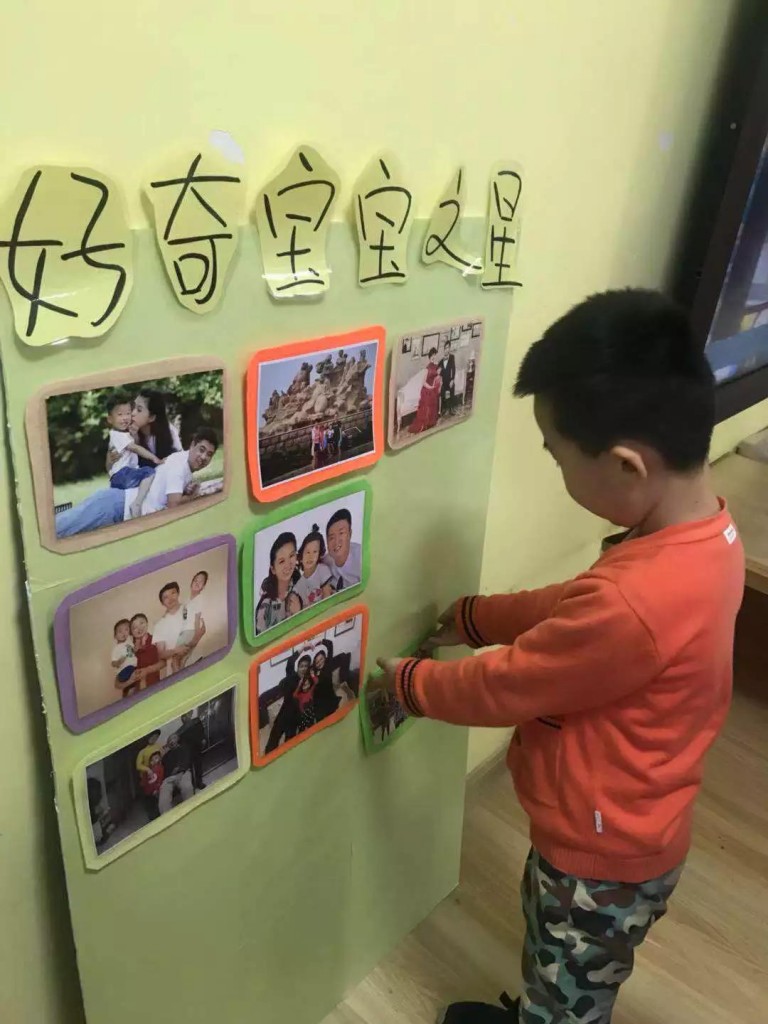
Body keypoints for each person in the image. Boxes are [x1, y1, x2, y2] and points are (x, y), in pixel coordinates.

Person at [376, 290, 745, 1024]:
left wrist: (413, 686)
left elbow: (511, 685)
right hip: (626, 829)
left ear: (626, 466)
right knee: (554, 957)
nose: (555, 469)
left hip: (598, 858)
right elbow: (575, 607)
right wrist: (478, 617)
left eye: (557, 456)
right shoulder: (702, 538)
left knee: (567, 986)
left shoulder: (636, 600)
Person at [55, 429, 219, 538]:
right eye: (201, 449)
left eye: (209, 454)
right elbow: (173, 506)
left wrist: (186, 490)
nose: (203, 457)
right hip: (116, 506)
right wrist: (192, 496)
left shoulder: (182, 462)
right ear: (192, 445)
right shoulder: (179, 466)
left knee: (65, 528)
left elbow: (164, 490)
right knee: (59, 530)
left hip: (118, 507)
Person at [105, 391, 162, 518]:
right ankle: (137, 504)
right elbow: (135, 448)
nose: (125, 418)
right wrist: (154, 458)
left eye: (128, 413)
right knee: (149, 472)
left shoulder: (123, 434)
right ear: (110, 419)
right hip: (122, 475)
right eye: (120, 414)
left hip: (121, 475)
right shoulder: (118, 435)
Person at [152, 582, 204, 676]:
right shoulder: (159, 625)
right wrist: (176, 650)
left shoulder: (190, 608)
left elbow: (202, 629)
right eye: (166, 597)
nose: (170, 598)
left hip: (197, 661)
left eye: (173, 593)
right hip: (176, 672)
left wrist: (194, 640)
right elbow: (161, 654)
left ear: (178, 593)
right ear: (162, 603)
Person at [255, 532, 300, 634]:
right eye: (281, 561)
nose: (288, 564)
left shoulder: (302, 585)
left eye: (291, 556)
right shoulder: (266, 607)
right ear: (273, 569)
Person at [264, 652, 303, 753]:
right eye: (301, 666)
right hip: (284, 714)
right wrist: (302, 648)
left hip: (294, 719)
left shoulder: (308, 682)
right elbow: (290, 662)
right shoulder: (292, 677)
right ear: (298, 668)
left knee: (289, 746)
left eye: (306, 666)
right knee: (273, 740)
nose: (303, 669)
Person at [292, 525, 335, 607]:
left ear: (319, 554)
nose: (310, 556)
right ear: (301, 556)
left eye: (315, 552)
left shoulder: (322, 570)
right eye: (307, 552)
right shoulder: (298, 586)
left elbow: (327, 596)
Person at [322, 509, 362, 591]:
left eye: (341, 533)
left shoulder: (361, 559)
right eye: (331, 538)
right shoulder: (326, 561)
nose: (336, 541)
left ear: (350, 534)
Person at [176, 571, 209, 668]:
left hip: (191, 632)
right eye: (195, 580)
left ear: (203, 587)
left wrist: (195, 639)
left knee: (177, 659)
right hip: (185, 632)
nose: (197, 583)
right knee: (179, 660)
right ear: (191, 582)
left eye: (201, 582)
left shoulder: (200, 599)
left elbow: (198, 620)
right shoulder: (187, 601)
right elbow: (184, 619)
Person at [158, 734, 194, 814]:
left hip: (183, 773)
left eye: (173, 738)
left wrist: (180, 771)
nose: (171, 741)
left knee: (187, 787)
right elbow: (162, 770)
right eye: (169, 740)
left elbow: (187, 761)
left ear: (178, 740)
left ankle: (190, 809)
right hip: (168, 778)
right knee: (163, 799)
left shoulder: (184, 748)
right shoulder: (165, 757)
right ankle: (167, 817)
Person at [408, 347, 441, 434]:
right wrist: (431, 387)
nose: (433, 357)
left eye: (435, 355)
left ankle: (430, 422)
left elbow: (438, 377)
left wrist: (436, 386)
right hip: (426, 390)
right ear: (429, 357)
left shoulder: (436, 366)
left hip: (433, 389)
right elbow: (423, 383)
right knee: (427, 404)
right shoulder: (427, 368)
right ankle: (424, 424)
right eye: (432, 355)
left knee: (433, 403)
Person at [128, 613, 163, 690]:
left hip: (154, 684)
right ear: (132, 633)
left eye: (141, 623)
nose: (139, 628)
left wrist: (147, 670)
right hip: (138, 688)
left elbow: (163, 662)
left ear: (147, 623)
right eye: (134, 628)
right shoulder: (131, 649)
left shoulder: (155, 640)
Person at [178, 711, 207, 791]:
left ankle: (199, 782)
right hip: (188, 752)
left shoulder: (196, 722)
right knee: (190, 769)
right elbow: (181, 742)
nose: (184, 719)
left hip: (197, 748)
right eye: (183, 717)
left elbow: (202, 731)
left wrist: (203, 738)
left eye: (186, 716)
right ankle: (193, 785)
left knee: (198, 766)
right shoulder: (181, 730)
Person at [111, 618, 138, 697]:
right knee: (131, 683)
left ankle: (129, 693)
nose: (123, 633)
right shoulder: (116, 648)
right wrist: (118, 662)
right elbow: (113, 663)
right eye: (120, 631)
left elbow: (133, 652)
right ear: (115, 636)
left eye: (126, 630)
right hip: (125, 670)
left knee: (132, 687)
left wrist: (136, 648)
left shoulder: (129, 643)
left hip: (133, 667)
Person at [292, 655, 318, 732]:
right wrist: (299, 685)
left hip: (311, 713)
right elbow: (294, 695)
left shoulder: (310, 691)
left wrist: (312, 675)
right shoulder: (300, 695)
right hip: (303, 715)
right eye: (301, 666)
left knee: (312, 726)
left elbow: (316, 682)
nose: (305, 687)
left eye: (306, 666)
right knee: (302, 729)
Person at [138, 751, 164, 821]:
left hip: (155, 792)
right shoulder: (147, 770)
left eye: (156, 758)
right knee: (149, 807)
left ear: (160, 759)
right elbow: (144, 780)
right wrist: (142, 785)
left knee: (156, 806)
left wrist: (157, 789)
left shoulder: (160, 768)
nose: (154, 760)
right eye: (152, 759)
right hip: (147, 792)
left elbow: (160, 779)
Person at [438, 339, 457, 417]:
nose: (447, 349)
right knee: (442, 391)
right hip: (443, 381)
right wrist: (440, 381)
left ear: (450, 348)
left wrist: (452, 380)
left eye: (448, 347)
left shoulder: (452, 357)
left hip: (449, 380)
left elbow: (454, 369)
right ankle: (442, 409)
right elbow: (438, 372)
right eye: (445, 348)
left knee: (452, 387)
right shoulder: (441, 361)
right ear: (444, 349)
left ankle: (451, 408)